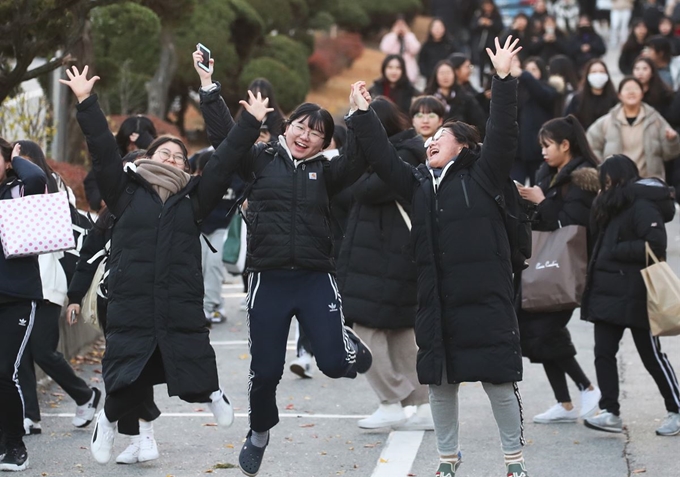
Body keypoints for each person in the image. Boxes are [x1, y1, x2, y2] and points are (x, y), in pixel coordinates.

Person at [349, 36, 530, 477]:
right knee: (440, 386)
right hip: (436, 299)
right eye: (431, 137)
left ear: (463, 147)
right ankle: (448, 461)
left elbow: (503, 131)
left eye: (443, 137)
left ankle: (514, 461)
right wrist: (360, 115)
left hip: (485, 298)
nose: (431, 141)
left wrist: (502, 79)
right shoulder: (416, 181)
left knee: (499, 384)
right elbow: (380, 156)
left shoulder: (484, 175)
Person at [59, 65, 235, 465]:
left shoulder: (193, 201)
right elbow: (103, 150)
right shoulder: (124, 192)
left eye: (179, 156)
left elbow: (225, 162)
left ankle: (211, 393)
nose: (172, 159)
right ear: (147, 157)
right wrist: (86, 102)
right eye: (165, 153)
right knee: (127, 366)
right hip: (131, 297)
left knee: (189, 350)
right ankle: (107, 422)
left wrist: (214, 95)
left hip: (177, 295)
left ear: (187, 169)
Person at [200, 82, 373, 477]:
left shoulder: (328, 172)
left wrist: (360, 114)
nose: (305, 136)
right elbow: (224, 141)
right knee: (264, 373)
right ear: (286, 125)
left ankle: (343, 341)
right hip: (268, 280)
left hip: (314, 278)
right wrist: (210, 91)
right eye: (301, 126)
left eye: (316, 133)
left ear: (324, 143)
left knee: (332, 365)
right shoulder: (259, 160)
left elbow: (361, 158)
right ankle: (259, 433)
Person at [335, 96, 431, 431]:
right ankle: (422, 405)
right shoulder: (393, 153)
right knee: (400, 333)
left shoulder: (401, 156)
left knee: (363, 331)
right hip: (380, 257)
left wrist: (358, 161)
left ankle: (391, 400)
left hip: (387, 259)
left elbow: (362, 190)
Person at [581, 154, 680, 436]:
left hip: (638, 293)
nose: (606, 185)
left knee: (652, 357)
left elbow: (655, 245)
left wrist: (617, 250)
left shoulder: (642, 205)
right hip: (607, 293)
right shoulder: (608, 205)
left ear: (623, 178)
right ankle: (610, 411)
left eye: (609, 180)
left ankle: (676, 408)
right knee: (603, 353)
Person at [516, 116, 602, 424]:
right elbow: (542, 221)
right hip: (542, 268)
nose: (542, 152)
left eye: (547, 145)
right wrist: (526, 199)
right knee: (534, 332)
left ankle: (587, 388)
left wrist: (540, 201)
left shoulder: (583, 180)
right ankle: (565, 403)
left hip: (566, 269)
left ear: (566, 145)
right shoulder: (548, 174)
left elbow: (572, 226)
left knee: (544, 332)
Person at [14, 141, 101, 437]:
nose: (16, 164)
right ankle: (29, 416)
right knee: (21, 352)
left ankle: (85, 395)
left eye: (20, 158)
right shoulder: (14, 189)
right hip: (21, 283)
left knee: (42, 350)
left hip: (46, 282)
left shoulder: (51, 187)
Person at [0, 140, 47, 472]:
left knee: (5, 371)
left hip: (16, 297)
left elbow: (36, 178)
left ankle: (15, 446)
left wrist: (15, 158)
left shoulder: (17, 191)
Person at [587, 77, 680, 181]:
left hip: (649, 183)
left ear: (642, 93)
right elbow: (591, 145)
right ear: (619, 95)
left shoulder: (655, 120)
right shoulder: (606, 121)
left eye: (635, 88)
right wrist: (603, 168)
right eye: (627, 89)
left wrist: (672, 141)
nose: (631, 92)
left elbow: (670, 155)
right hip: (616, 185)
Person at [85, 115, 157, 212]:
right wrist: (101, 200)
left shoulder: (158, 159)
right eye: (129, 143)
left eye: (138, 144)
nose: (133, 148)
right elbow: (92, 182)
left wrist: (152, 147)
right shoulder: (112, 157)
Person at [512, 55, 559, 185]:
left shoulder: (547, 88)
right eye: (527, 69)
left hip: (537, 150)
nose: (529, 73)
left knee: (538, 187)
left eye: (534, 70)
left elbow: (544, 95)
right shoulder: (517, 89)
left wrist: (525, 75)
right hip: (517, 152)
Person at [423, 60, 487, 134]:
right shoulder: (427, 99)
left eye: (448, 73)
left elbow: (480, 123)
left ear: (454, 75)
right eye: (442, 73)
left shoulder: (465, 99)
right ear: (435, 76)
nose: (445, 76)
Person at [565, 59, 619, 130]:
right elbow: (568, 121)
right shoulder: (578, 99)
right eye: (594, 72)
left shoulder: (614, 99)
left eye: (601, 72)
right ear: (587, 75)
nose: (598, 75)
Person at [470, 0, 504, 85]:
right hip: (480, 45)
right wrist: (480, 23)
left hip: (492, 45)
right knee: (480, 66)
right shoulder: (478, 15)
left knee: (493, 66)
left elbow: (500, 27)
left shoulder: (496, 15)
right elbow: (472, 28)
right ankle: (481, 83)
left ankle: (494, 82)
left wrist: (491, 23)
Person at [380, 16, 421, 84]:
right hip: (392, 72)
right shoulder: (389, 37)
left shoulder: (410, 36)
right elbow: (385, 49)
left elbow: (415, 49)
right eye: (398, 25)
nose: (400, 28)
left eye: (402, 25)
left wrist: (407, 34)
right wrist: (394, 34)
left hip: (409, 73)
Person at [418, 17, 459, 83]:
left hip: (447, 78)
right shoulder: (426, 46)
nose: (438, 30)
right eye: (435, 27)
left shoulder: (450, 44)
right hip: (431, 78)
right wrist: (427, 73)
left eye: (440, 27)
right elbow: (421, 62)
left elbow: (455, 59)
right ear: (431, 29)